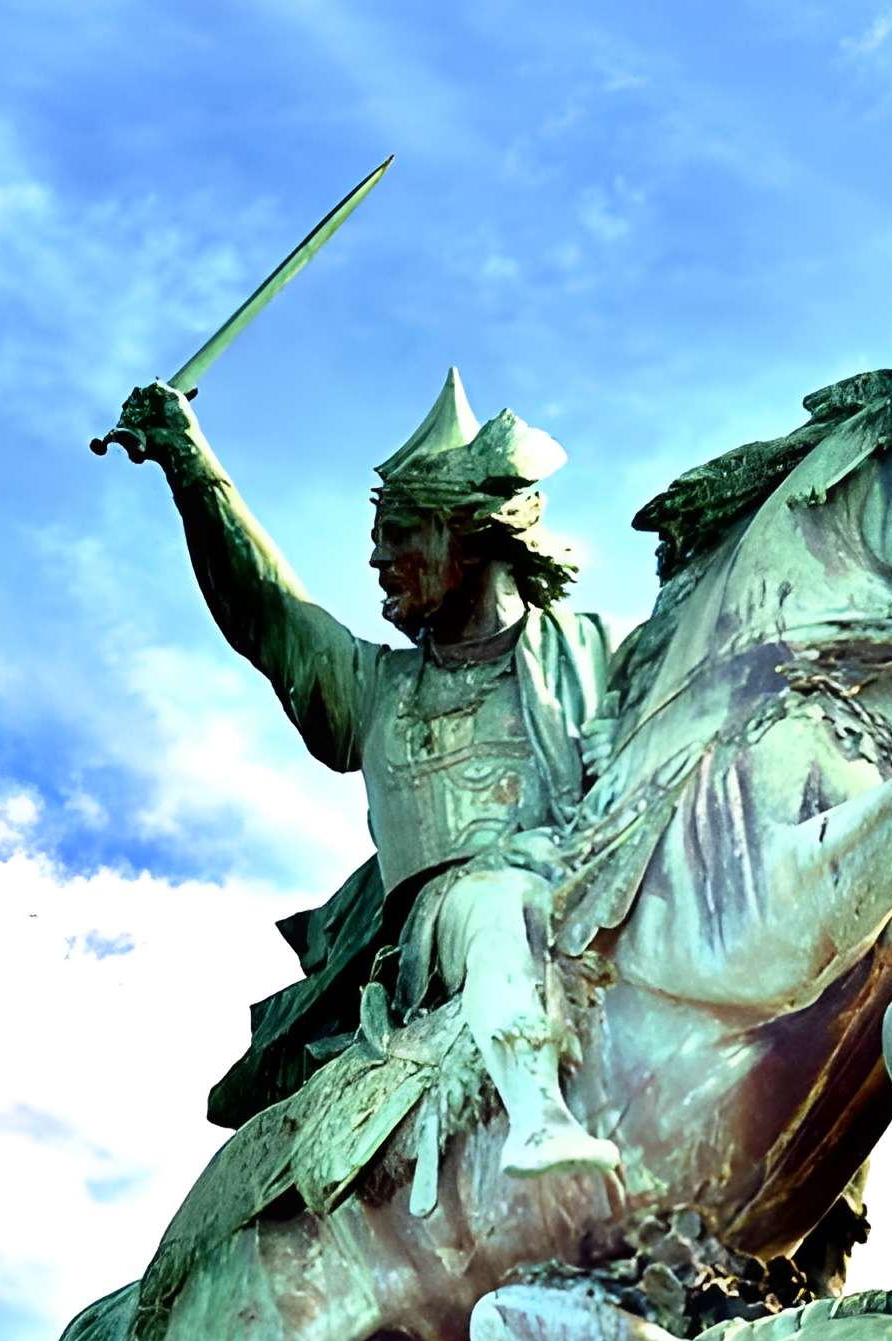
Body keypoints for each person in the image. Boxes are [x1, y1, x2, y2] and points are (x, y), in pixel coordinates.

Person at [106, 371, 624, 1177]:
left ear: (470, 532)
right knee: (496, 898)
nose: (377, 557)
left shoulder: (601, 655)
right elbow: (266, 608)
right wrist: (189, 462)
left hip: (600, 919)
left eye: (401, 532)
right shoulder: (376, 690)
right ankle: (537, 1121)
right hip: (439, 949)